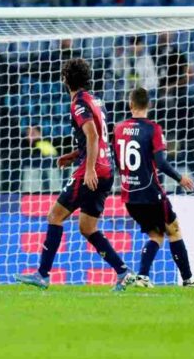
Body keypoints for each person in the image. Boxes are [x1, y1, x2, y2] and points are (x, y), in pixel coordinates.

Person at [14, 58, 136, 291]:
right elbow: (100, 137)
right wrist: (71, 156)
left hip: (92, 169)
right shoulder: (96, 101)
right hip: (106, 168)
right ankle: (122, 271)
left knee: (54, 216)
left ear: (65, 80)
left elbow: (92, 135)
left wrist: (88, 168)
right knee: (87, 228)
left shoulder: (79, 103)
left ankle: (42, 274)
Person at [113, 88, 194, 288]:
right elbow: (161, 162)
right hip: (151, 194)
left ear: (130, 105)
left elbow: (117, 160)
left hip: (129, 196)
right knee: (174, 230)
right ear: (149, 105)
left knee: (156, 234)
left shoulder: (118, 129)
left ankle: (143, 276)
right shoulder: (153, 129)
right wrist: (180, 178)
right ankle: (188, 279)